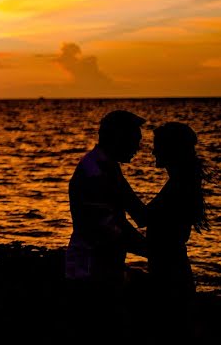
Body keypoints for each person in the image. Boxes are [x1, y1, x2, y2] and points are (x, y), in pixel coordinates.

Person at [64, 110, 149, 342]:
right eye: (134, 140)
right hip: (89, 272)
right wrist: (152, 250)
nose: (137, 148)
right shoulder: (96, 172)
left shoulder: (108, 166)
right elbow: (109, 229)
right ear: (118, 137)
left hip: (100, 268)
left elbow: (138, 212)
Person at [146, 121, 213, 334]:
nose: (153, 151)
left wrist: (118, 189)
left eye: (157, 146)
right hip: (169, 267)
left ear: (170, 149)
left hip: (170, 271)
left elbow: (144, 217)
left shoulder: (179, 186)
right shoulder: (181, 182)